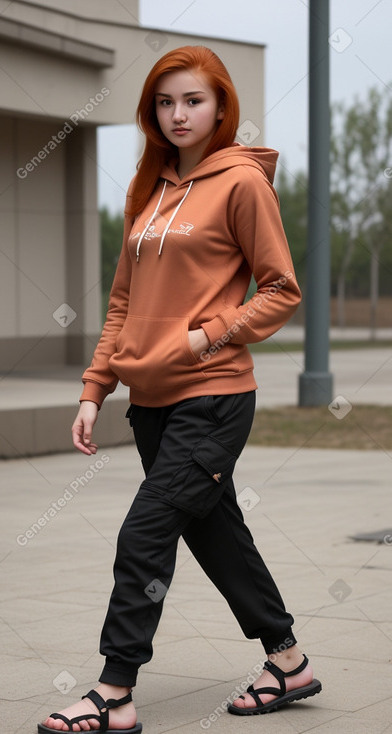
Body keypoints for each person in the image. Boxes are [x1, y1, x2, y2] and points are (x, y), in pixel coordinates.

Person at [38, 45, 321, 733]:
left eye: (192, 100)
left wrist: (206, 335)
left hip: (214, 396)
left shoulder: (241, 184)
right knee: (218, 534)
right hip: (150, 405)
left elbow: (281, 289)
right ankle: (287, 663)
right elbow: (120, 307)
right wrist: (93, 387)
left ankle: (114, 692)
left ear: (221, 106)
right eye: (164, 103)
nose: (177, 114)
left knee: (144, 533)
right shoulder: (152, 189)